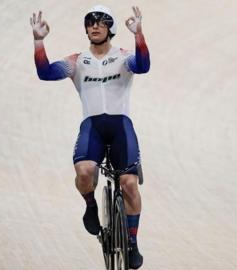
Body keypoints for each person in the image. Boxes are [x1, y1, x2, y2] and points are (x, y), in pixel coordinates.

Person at [30, 5, 150, 269]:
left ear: (110, 29)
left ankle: (132, 242)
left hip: (120, 127)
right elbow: (45, 73)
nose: (94, 26)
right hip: (92, 128)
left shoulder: (123, 57)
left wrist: (139, 35)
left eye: (101, 22)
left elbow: (143, 66)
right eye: (90, 23)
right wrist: (39, 42)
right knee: (84, 173)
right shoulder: (77, 60)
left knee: (130, 185)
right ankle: (91, 205)